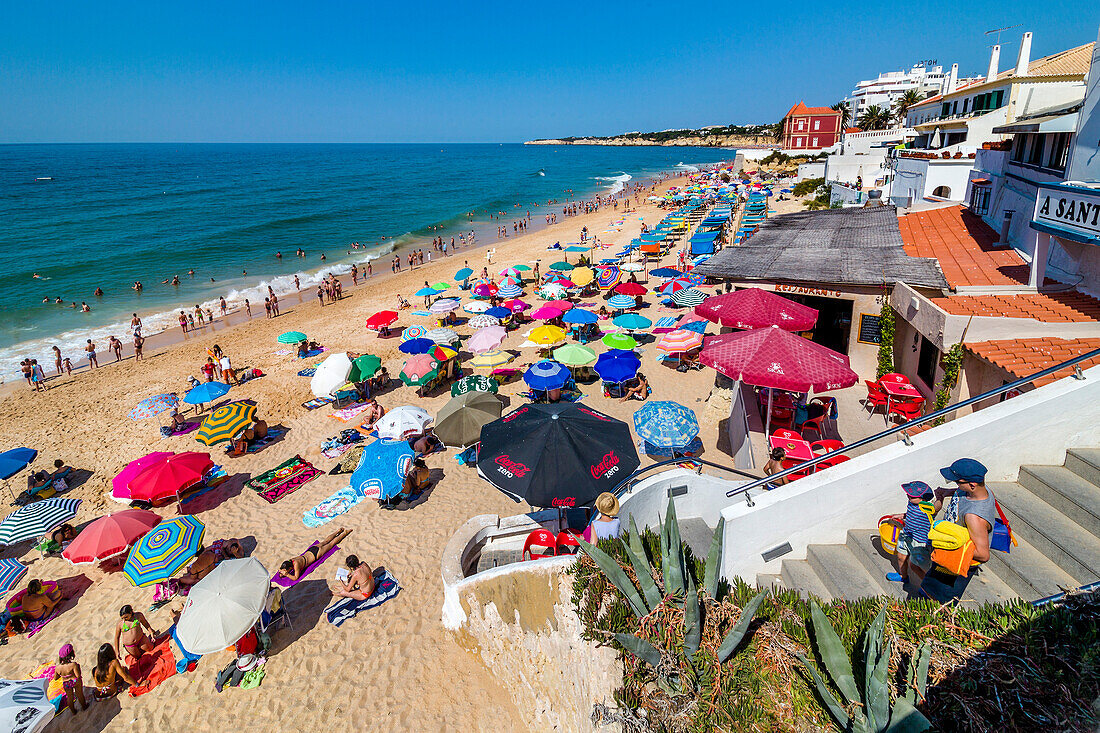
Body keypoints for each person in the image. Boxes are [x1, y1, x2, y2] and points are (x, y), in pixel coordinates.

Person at [932, 458, 996, 564]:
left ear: (972, 485)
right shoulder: (984, 490)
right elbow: (961, 493)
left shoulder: (974, 517)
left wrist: (945, 543)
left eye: (957, 482)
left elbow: (983, 555)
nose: (956, 485)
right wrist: (946, 492)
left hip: (954, 564)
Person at [886, 481, 935, 590]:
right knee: (900, 557)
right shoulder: (911, 503)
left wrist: (940, 497)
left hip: (919, 541)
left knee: (919, 566)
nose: (908, 496)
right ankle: (903, 576)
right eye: (908, 494)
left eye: (912, 496)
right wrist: (902, 515)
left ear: (923, 498)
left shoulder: (927, 508)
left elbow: (937, 508)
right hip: (906, 534)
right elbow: (911, 514)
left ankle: (928, 587)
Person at [278, 528, 353, 580]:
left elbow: (295, 578)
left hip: (315, 554)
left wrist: (287, 575)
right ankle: (338, 531)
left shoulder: (296, 565)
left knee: (331, 544)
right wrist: (281, 572)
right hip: (311, 550)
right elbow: (282, 571)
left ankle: (346, 532)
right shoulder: (291, 560)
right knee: (325, 541)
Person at [54, 643, 87, 713]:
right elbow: (78, 676)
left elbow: (55, 678)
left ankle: (73, 711)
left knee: (70, 697)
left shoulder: (58, 668)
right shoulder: (73, 665)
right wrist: (78, 668)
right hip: (75, 681)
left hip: (66, 683)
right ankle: (84, 706)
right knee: (79, 694)